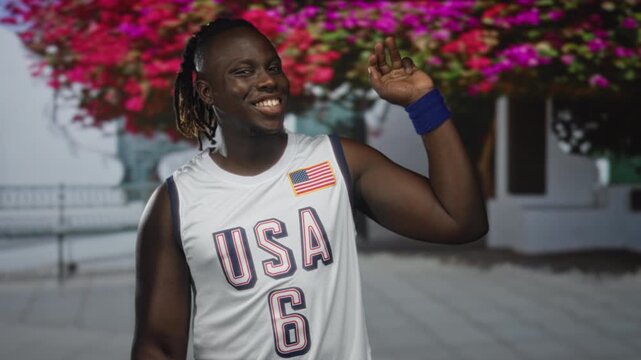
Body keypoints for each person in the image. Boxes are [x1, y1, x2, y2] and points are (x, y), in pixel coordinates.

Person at [131, 18, 487, 360]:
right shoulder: (177, 202)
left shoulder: (335, 162)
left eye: (273, 67)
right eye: (243, 71)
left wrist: (423, 102)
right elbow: (158, 348)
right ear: (207, 91)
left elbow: (460, 221)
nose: (267, 80)